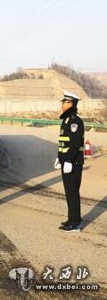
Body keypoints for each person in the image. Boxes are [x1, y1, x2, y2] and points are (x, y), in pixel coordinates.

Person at [54, 91, 84, 232]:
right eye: (63, 101)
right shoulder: (66, 120)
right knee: (69, 192)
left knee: (72, 193)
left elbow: (75, 143)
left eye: (65, 102)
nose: (62, 104)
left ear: (72, 104)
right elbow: (63, 143)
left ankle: (75, 222)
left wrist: (69, 161)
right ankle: (72, 218)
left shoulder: (75, 121)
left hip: (73, 163)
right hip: (67, 162)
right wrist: (59, 158)